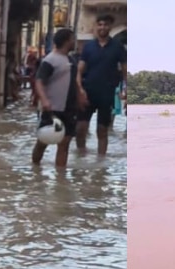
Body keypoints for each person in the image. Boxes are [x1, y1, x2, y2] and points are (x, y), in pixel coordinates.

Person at [74, 14, 126, 155]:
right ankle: (81, 156)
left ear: (110, 27)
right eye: (100, 24)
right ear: (96, 26)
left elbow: (125, 70)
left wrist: (127, 91)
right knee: (80, 128)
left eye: (105, 25)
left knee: (102, 130)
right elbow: (79, 70)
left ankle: (101, 162)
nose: (102, 27)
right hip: (88, 92)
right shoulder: (88, 47)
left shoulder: (118, 47)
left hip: (107, 93)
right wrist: (79, 89)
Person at [32, 28, 77, 168]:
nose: (74, 42)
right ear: (67, 41)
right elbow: (39, 81)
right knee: (43, 141)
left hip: (69, 108)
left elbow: (74, 81)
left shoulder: (71, 60)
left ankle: (60, 177)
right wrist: (44, 100)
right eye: (73, 39)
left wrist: (80, 94)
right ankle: (35, 167)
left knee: (65, 143)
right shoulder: (50, 60)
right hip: (52, 108)